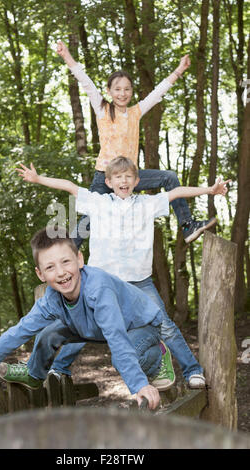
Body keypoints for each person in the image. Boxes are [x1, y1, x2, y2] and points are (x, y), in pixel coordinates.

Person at [16, 158, 230, 389]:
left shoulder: (148, 204)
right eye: (118, 177)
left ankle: (192, 370)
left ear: (137, 181)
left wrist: (210, 190)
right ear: (108, 181)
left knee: (165, 325)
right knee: (79, 323)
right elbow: (68, 186)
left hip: (139, 282)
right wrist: (38, 179)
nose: (124, 181)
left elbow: (176, 191)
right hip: (100, 282)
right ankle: (59, 369)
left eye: (128, 177)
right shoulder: (97, 202)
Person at [0, 228, 178, 411]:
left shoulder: (99, 289)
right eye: (50, 267)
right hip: (92, 327)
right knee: (48, 333)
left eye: (66, 262)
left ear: (79, 259)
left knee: (124, 358)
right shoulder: (51, 299)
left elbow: (117, 339)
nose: (60, 272)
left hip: (139, 325)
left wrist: (139, 386)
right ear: (40, 274)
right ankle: (34, 374)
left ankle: (159, 355)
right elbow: (16, 333)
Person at [56, 40, 216, 246]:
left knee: (169, 178)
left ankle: (187, 225)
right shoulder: (102, 109)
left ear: (131, 91)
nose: (122, 94)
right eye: (117, 89)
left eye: (127, 89)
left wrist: (179, 69)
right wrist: (67, 56)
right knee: (89, 220)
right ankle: (66, 252)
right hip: (104, 177)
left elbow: (159, 91)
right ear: (109, 91)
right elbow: (85, 81)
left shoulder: (136, 112)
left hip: (131, 176)